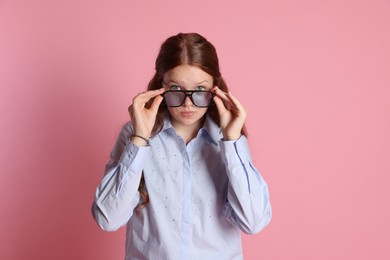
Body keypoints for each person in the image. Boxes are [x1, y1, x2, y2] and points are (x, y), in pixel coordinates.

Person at [92, 32, 272, 260]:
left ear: (215, 89)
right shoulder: (134, 135)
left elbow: (254, 222)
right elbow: (108, 218)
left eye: (199, 90)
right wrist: (139, 140)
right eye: (176, 89)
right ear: (161, 86)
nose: (188, 103)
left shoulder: (229, 140)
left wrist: (233, 142)